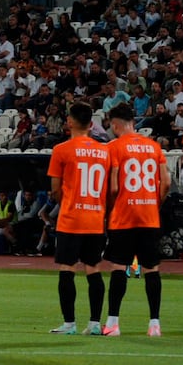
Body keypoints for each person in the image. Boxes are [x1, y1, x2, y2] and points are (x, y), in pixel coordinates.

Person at [102, 103, 170, 337]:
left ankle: (113, 324)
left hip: (124, 216)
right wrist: (154, 203)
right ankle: (154, 324)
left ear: (115, 124)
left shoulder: (114, 148)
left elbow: (112, 187)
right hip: (149, 216)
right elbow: (167, 183)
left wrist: (109, 210)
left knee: (119, 267)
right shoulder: (154, 147)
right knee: (152, 269)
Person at [47, 102, 109, 336]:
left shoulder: (61, 150)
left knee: (67, 268)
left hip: (72, 218)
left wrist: (70, 202)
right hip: (95, 219)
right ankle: (94, 323)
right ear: (91, 124)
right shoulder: (104, 151)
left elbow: (55, 189)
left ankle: (69, 323)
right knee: (93, 269)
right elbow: (109, 187)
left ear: (70, 122)